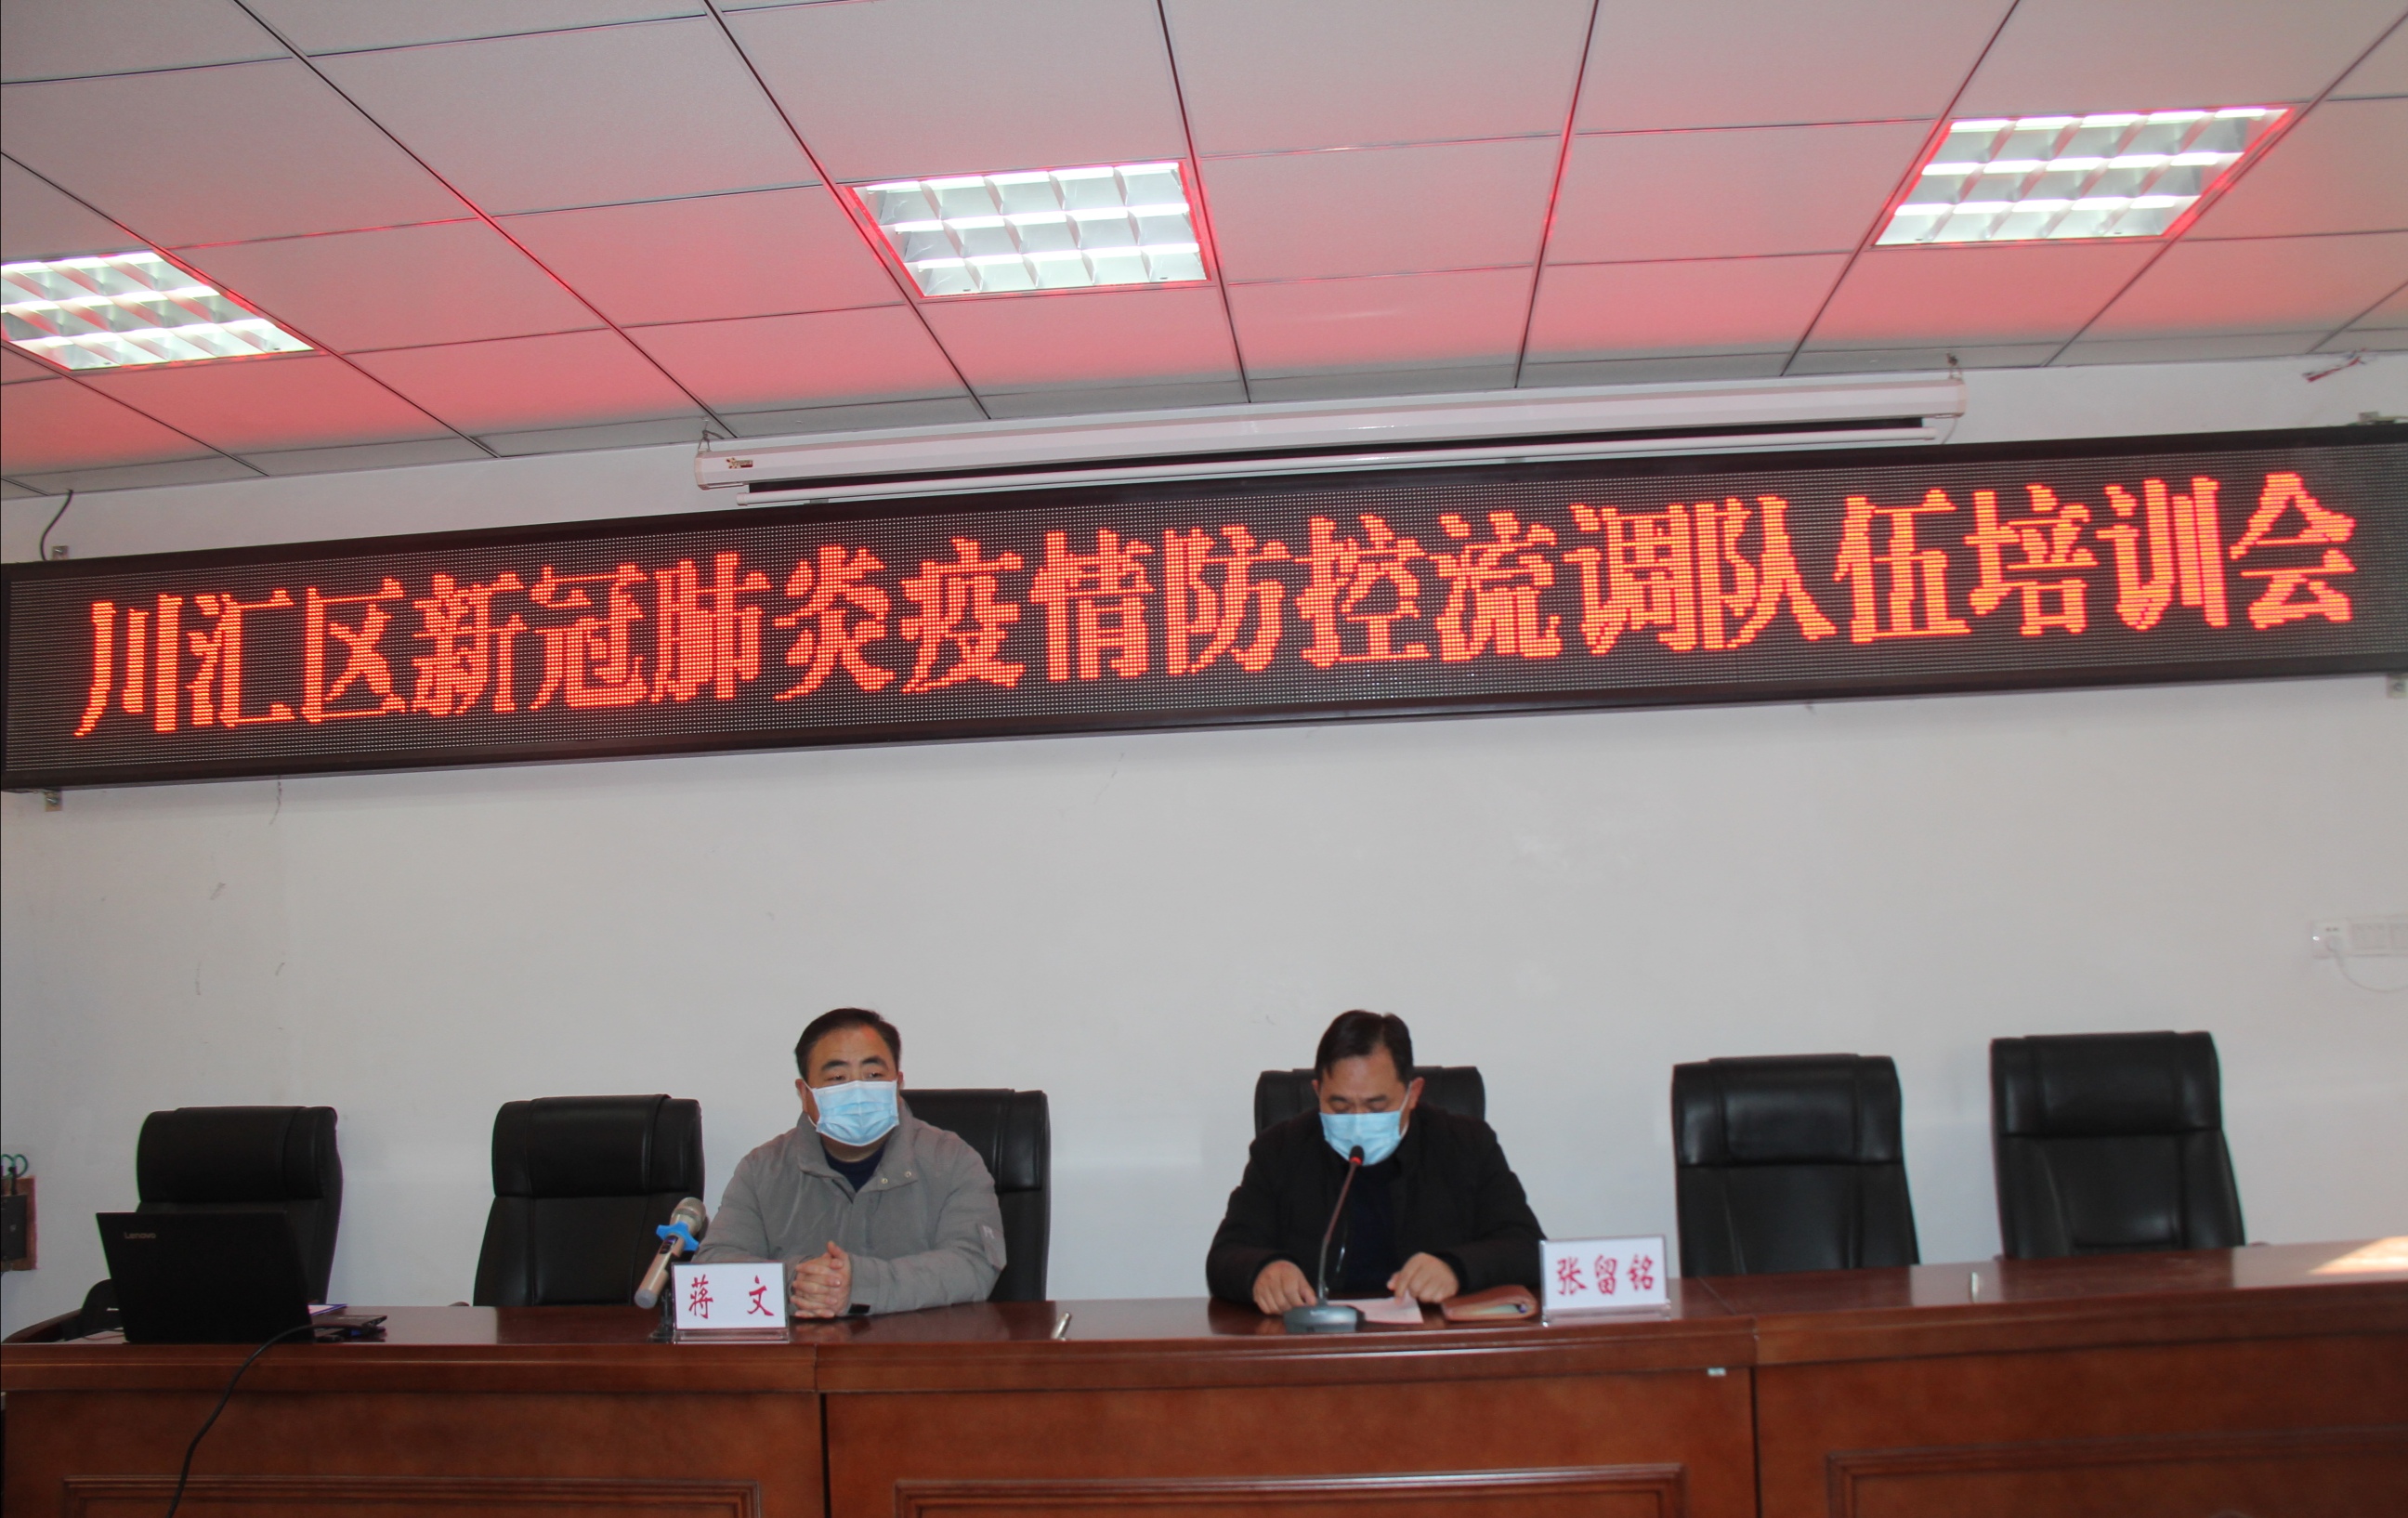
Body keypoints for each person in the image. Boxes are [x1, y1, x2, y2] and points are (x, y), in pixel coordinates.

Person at [1207, 1010, 1543, 1313]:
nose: (1357, 1120)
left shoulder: (1466, 1143)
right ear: (1317, 1091)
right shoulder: (1280, 1150)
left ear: (1413, 1094)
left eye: (1376, 1107)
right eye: (1339, 1106)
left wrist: (1455, 1267)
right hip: (1318, 1340)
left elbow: (1527, 1247)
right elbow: (1226, 1255)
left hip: (1433, 1341)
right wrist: (1263, 1270)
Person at [698, 1007, 1005, 1316]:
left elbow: (974, 1265)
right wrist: (798, 1281)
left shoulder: (952, 1161)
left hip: (917, 1345)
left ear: (898, 1084)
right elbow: (712, 1268)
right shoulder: (762, 1169)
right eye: (837, 1078)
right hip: (803, 1346)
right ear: (804, 1093)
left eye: (873, 1075)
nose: (858, 1091)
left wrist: (861, 1284)